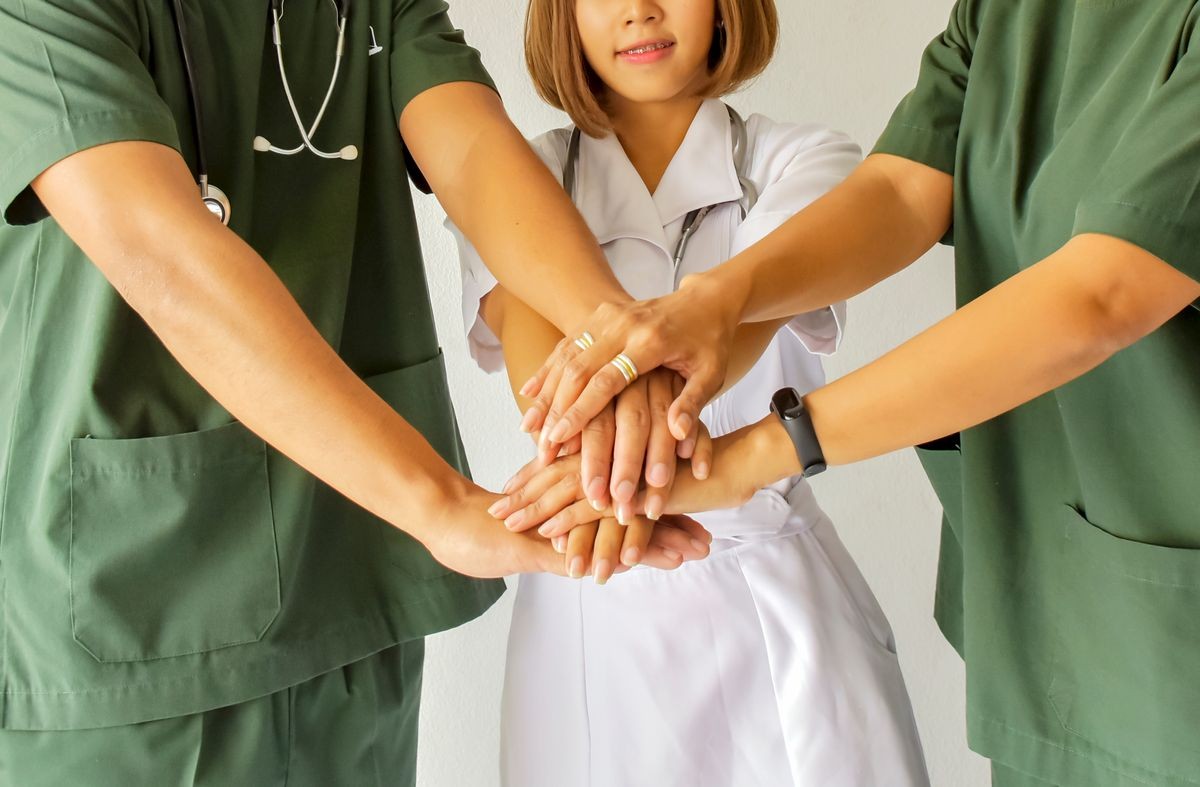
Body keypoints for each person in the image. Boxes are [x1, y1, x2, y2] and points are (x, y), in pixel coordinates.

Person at [0, 0, 708, 783]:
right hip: (138, 605)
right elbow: (158, 245)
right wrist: (439, 502)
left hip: (349, 578)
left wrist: (617, 343)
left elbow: (472, 152)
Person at [506, 0, 1200, 784]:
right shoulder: (1005, 13)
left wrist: (758, 449)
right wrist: (716, 298)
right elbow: (902, 192)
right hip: (1049, 594)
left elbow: (1104, 292)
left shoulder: (789, 159)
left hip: (1167, 614)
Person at [451, 0, 929, 784]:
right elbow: (552, 395)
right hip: (591, 603)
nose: (640, 11)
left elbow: (716, 346)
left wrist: (610, 465)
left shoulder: (807, 162)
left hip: (777, 607)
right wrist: (605, 465)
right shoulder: (512, 178)